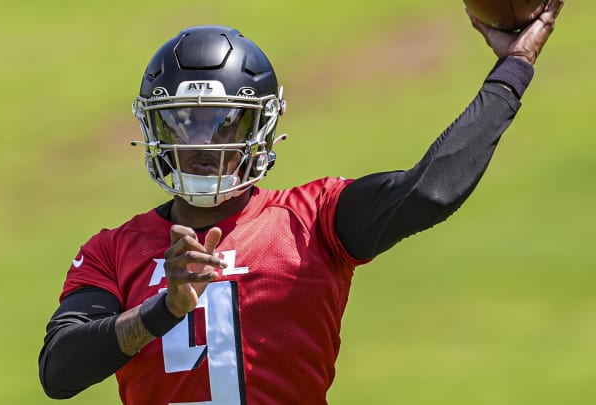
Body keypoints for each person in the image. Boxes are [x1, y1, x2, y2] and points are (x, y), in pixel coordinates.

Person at [38, 2, 564, 403]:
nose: (202, 143)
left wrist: (514, 69)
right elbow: (60, 371)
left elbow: (430, 190)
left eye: (224, 122)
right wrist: (163, 309)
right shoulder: (112, 251)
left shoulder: (312, 220)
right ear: (155, 130)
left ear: (261, 126)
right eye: (183, 121)